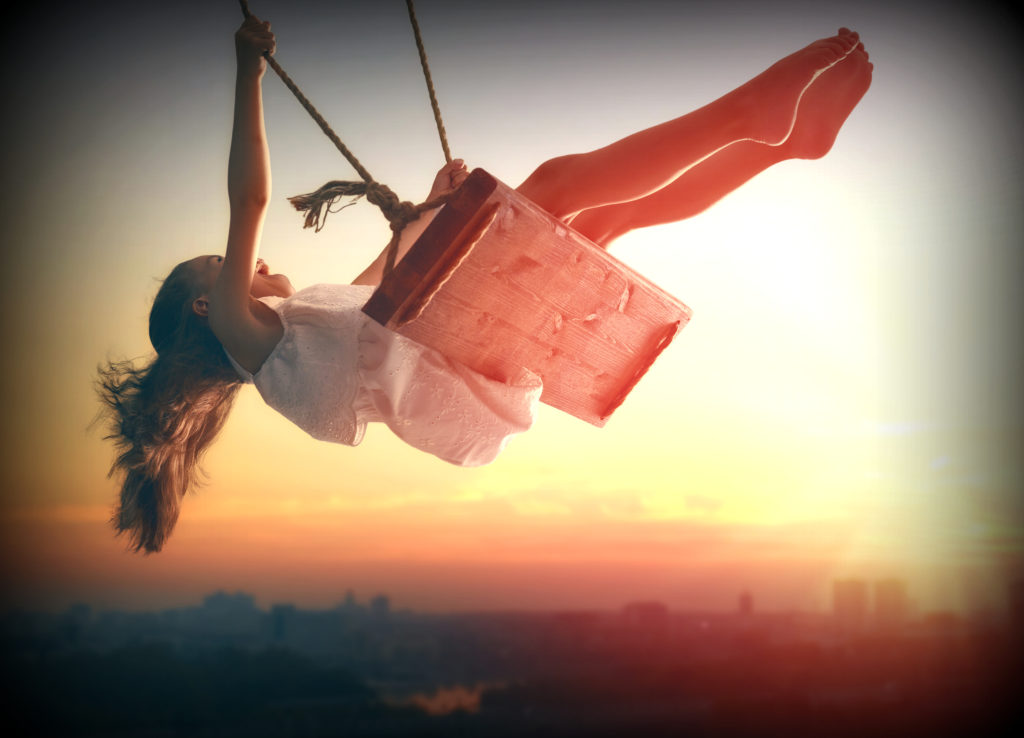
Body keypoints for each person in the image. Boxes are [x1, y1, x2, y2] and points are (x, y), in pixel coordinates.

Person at [98, 16, 872, 553]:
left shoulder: (289, 337)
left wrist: (429, 205)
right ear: (209, 301)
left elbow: (377, 293)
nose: (250, 267)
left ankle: (781, 146)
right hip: (456, 353)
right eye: (227, 268)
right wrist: (248, 74)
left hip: (459, 351)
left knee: (601, 228)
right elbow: (251, 200)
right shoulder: (248, 337)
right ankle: (746, 113)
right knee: (559, 185)